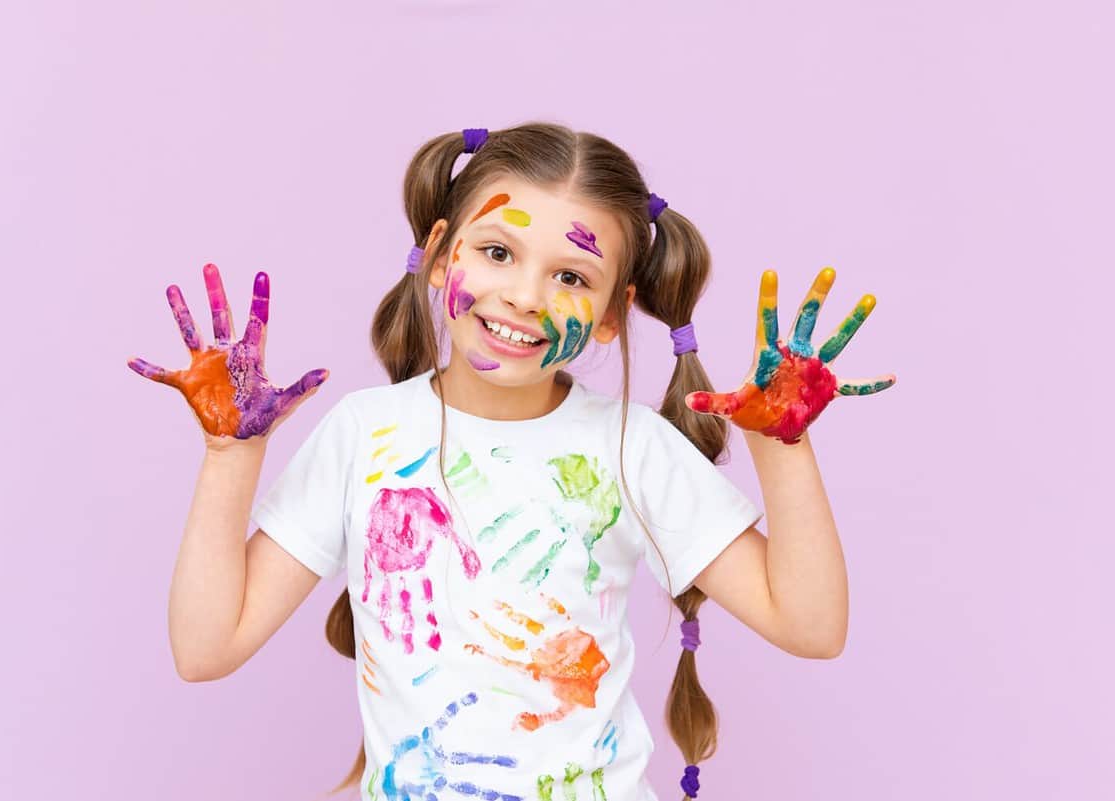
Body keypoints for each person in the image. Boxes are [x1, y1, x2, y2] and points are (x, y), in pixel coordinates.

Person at [128, 122, 895, 801]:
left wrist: (782, 447)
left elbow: (812, 625)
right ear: (437, 256)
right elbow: (204, 648)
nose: (526, 295)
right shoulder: (363, 433)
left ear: (609, 316)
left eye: (570, 276)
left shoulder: (630, 447)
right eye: (497, 251)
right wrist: (230, 453)